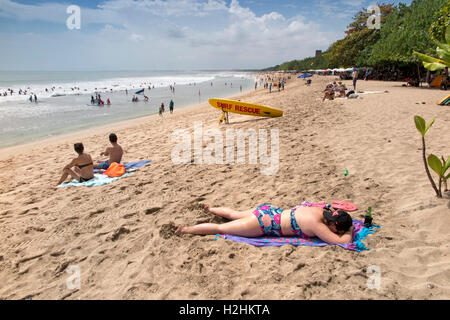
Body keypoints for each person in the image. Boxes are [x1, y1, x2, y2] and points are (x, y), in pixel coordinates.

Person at [175, 204, 354, 245]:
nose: (337, 232)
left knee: (234, 214)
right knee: (221, 228)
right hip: (265, 224)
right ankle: (185, 230)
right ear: (335, 225)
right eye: (339, 229)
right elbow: (343, 242)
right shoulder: (318, 225)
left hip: (269, 210)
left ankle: (210, 208)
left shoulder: (320, 210)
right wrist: (351, 230)